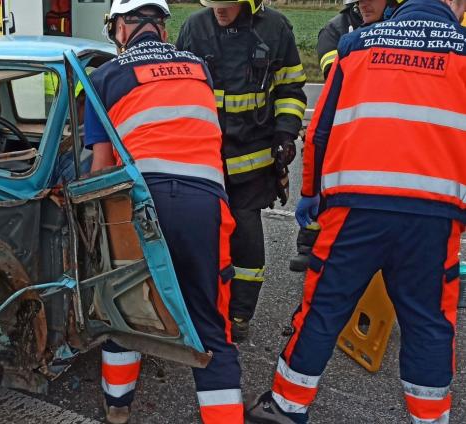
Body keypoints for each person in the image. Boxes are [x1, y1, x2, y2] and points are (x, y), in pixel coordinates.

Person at [244, 0, 466, 422]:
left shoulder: (357, 44)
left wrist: (311, 194)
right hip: (435, 218)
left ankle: (286, 407)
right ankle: (431, 418)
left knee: (324, 308)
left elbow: (321, 132)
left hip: (354, 209)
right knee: (430, 322)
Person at [85, 0, 242, 422]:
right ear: (163, 29)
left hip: (141, 202)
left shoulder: (105, 75)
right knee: (210, 325)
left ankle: (118, 411)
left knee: (127, 307)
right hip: (203, 202)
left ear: (120, 27)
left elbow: (101, 168)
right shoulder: (199, 69)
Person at [175, 0, 307, 342]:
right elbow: (176, 85)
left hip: (253, 156)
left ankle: (241, 312)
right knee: (200, 234)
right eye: (215, 3)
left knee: (245, 234)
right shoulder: (194, 27)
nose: (220, 9)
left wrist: (285, 133)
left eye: (228, 3)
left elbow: (291, 89)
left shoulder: (275, 29)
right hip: (203, 155)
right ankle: (199, 307)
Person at [290, 0, 386, 272]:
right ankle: (309, 244)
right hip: (343, 124)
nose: (365, 6)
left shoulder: (396, 25)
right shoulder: (336, 30)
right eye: (359, 2)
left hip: (380, 127)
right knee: (324, 185)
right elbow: (340, 77)